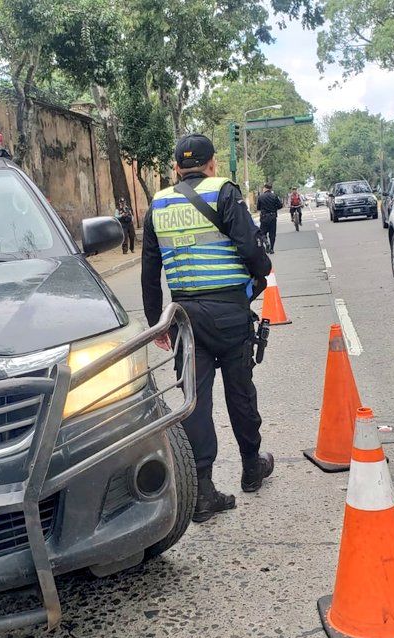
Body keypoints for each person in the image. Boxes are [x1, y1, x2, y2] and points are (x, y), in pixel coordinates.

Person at [140, 133, 275, 523]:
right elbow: (250, 249)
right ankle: (252, 467)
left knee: (194, 399)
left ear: (176, 168)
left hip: (184, 319)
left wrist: (157, 324)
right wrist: (261, 271)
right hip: (229, 312)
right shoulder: (224, 193)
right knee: (240, 391)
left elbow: (151, 272)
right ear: (211, 163)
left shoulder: (158, 204)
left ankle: (203, 492)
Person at [255, 182, 284, 253]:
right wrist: (274, 208)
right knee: (272, 234)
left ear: (265, 188)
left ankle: (266, 243)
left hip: (264, 217)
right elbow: (280, 206)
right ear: (270, 189)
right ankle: (272, 249)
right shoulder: (274, 196)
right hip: (272, 217)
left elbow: (258, 208)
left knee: (262, 233)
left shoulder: (261, 197)